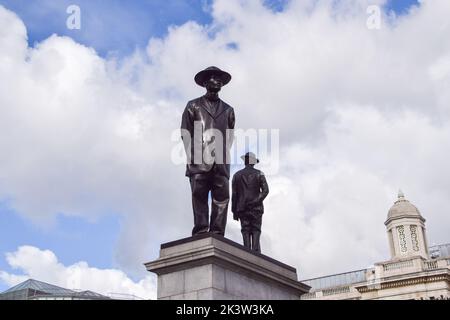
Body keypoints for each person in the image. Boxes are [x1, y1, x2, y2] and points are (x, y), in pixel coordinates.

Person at [181, 66, 236, 236]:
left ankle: (218, 232)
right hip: (199, 160)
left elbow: (229, 136)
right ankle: (201, 230)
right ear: (205, 82)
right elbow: (185, 133)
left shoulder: (228, 110)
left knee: (221, 198)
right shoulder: (193, 105)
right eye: (213, 77)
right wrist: (195, 156)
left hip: (220, 162)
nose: (217, 80)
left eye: (220, 78)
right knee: (199, 196)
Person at [231, 152, 269, 252]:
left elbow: (234, 195)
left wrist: (234, 211)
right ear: (253, 162)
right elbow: (266, 191)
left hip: (242, 208)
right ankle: (256, 252)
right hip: (256, 208)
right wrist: (256, 201)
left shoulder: (236, 175)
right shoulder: (259, 173)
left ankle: (246, 252)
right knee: (256, 230)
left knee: (245, 230)